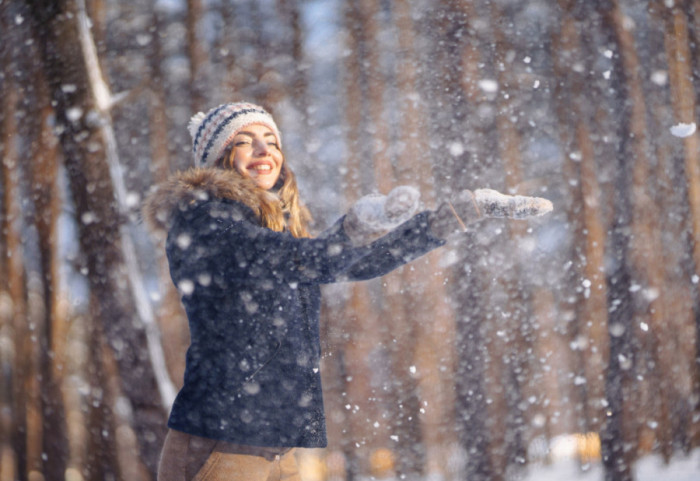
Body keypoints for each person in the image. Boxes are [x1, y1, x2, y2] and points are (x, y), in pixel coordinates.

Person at [143, 101, 552, 481]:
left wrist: (450, 218)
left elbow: (352, 263)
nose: (263, 151)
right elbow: (312, 259)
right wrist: (355, 228)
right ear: (217, 159)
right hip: (220, 438)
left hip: (269, 439)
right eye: (243, 143)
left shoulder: (269, 228)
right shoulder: (206, 222)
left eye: (271, 141)